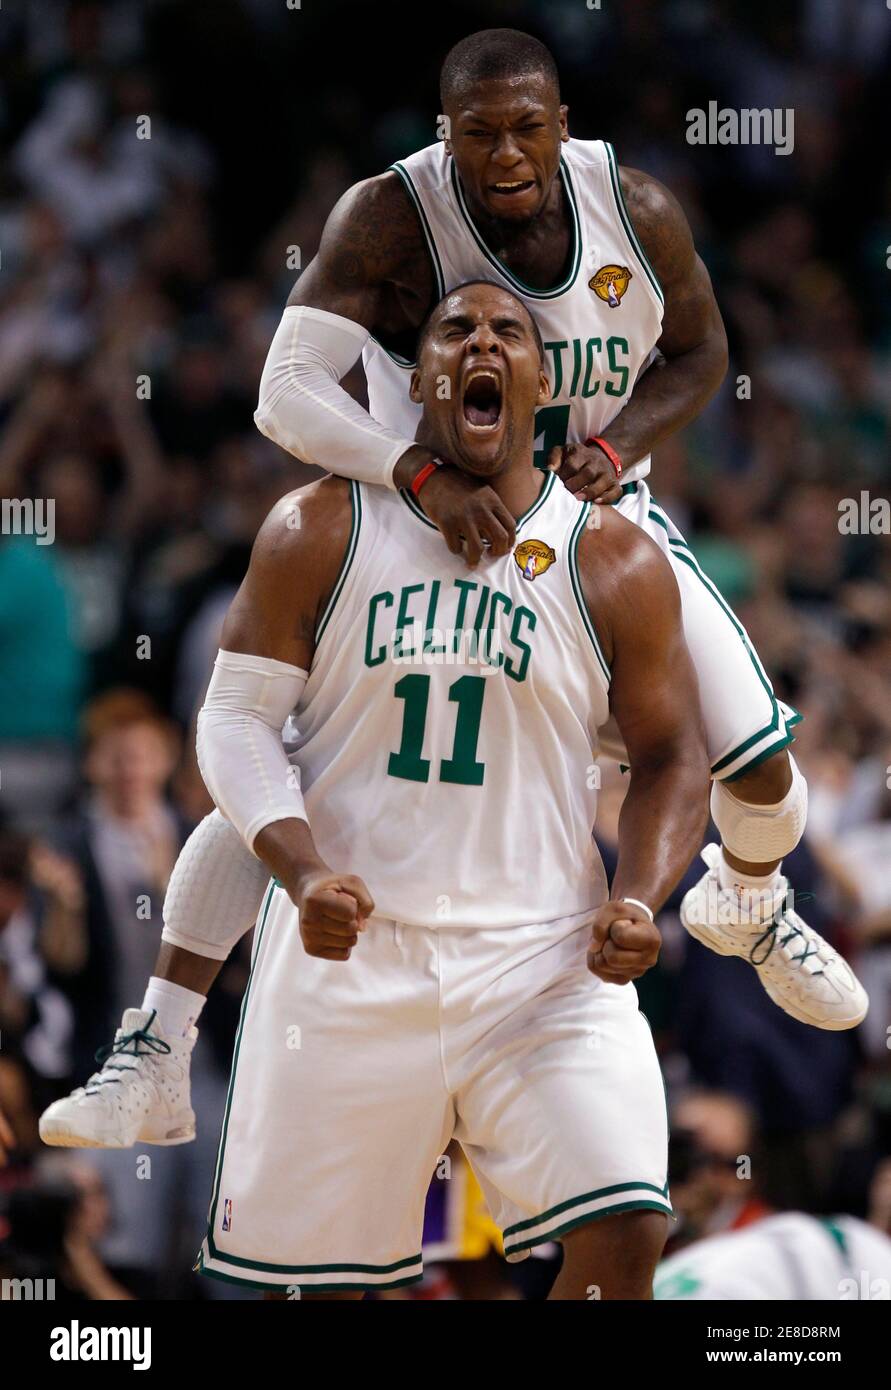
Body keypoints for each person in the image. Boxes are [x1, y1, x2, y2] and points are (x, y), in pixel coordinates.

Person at [41, 26, 865, 1152]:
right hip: (429, 520)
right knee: (281, 776)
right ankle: (161, 1042)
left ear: (563, 126)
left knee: (763, 770)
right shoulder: (391, 215)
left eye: (529, 127)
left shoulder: (639, 211)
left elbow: (702, 353)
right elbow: (283, 392)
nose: (507, 153)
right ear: (446, 138)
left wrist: (616, 450)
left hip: (593, 525)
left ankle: (749, 899)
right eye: (480, 133)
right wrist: (413, 470)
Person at [189, 279, 708, 1296]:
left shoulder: (612, 558)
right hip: (350, 963)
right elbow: (232, 720)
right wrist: (298, 870)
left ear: (540, 377)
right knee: (316, 1289)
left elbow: (673, 756)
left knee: (627, 1227)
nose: (481, 342)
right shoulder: (318, 527)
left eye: (508, 330)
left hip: (543, 963)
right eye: (454, 329)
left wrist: (642, 893)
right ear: (417, 377)